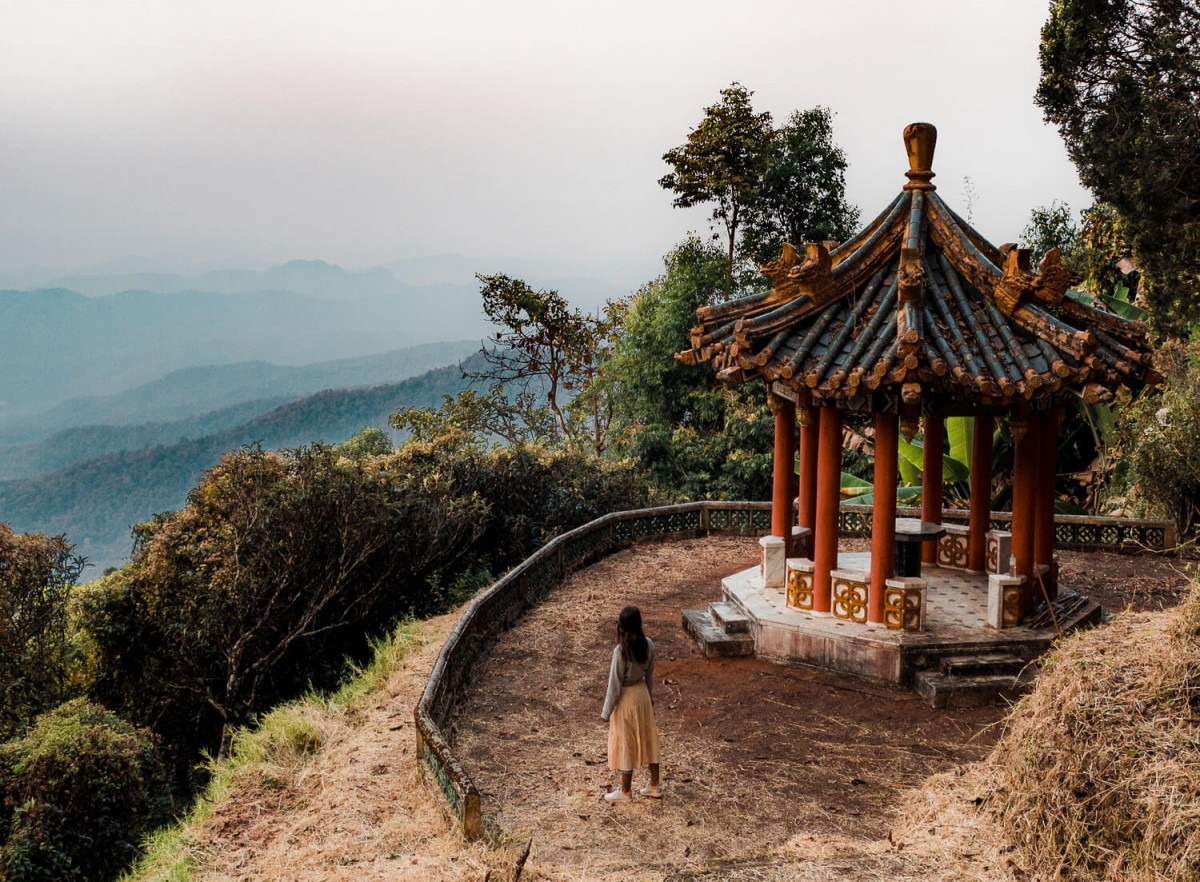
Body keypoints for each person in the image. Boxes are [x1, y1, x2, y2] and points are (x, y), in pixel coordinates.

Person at [600, 605, 661, 802]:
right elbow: (649, 676)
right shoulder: (649, 645)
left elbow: (614, 685)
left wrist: (606, 711)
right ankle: (654, 785)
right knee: (649, 739)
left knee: (626, 743)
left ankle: (625, 791)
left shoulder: (621, 651)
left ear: (622, 626)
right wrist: (649, 698)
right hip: (642, 695)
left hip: (626, 700)